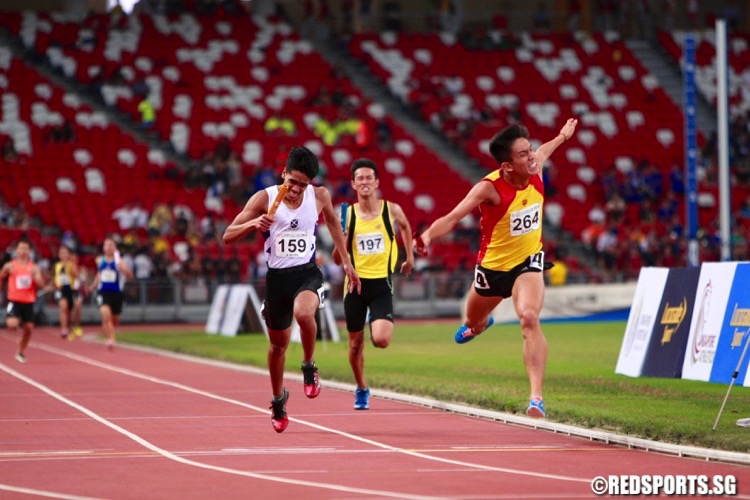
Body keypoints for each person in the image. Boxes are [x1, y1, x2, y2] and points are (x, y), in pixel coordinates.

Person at [414, 118, 578, 419]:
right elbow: (452, 218)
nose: (532, 157)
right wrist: (426, 236)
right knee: (473, 320)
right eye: (523, 154)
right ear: (506, 166)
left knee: (529, 318)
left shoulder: (535, 168)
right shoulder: (488, 189)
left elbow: (545, 150)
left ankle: (536, 398)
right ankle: (480, 324)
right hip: (491, 271)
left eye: (530, 151)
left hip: (527, 264)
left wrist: (562, 137)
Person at [223, 145, 361, 433]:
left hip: (307, 273)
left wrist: (347, 263)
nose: (296, 189)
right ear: (283, 173)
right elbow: (227, 236)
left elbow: (334, 225)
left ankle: (309, 366)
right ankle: (278, 399)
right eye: (292, 182)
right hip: (277, 279)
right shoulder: (265, 198)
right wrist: (254, 223)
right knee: (277, 347)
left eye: (303, 184)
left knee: (304, 314)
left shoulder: (320, 195)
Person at [332, 158, 415, 410]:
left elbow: (405, 226)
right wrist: (344, 239)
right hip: (354, 287)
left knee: (381, 339)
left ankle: (374, 319)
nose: (365, 182)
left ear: (377, 182)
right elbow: (337, 260)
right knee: (356, 344)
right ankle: (361, 387)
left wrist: (409, 256)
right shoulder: (347, 214)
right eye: (360, 178)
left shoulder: (392, 209)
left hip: (381, 284)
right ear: (353, 184)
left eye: (369, 177)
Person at [0, 240, 46, 363]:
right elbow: (1, 276)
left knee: (29, 328)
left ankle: (20, 351)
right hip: (14, 300)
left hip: (28, 301)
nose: (23, 251)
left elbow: (41, 283)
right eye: (21, 249)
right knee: (12, 324)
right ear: (17, 251)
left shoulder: (33, 268)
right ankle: (16, 320)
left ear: (30, 252)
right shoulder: (10, 266)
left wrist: (38, 281)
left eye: (26, 249)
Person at [88, 237, 134, 351]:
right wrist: (94, 285)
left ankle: (110, 334)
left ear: (115, 248)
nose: (109, 247)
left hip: (117, 293)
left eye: (111, 245)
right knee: (105, 315)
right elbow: (99, 274)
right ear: (103, 248)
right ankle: (109, 338)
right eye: (106, 245)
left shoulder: (121, 262)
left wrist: (124, 270)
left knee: (114, 320)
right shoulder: (100, 260)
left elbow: (130, 276)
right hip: (103, 292)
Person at [52, 245, 82, 340]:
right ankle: (63, 329)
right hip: (61, 290)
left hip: (71, 289)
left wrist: (69, 265)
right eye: (61, 253)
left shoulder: (71, 264)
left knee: (76, 306)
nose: (63, 255)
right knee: (63, 306)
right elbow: (55, 277)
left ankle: (75, 325)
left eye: (65, 253)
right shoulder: (57, 266)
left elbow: (76, 275)